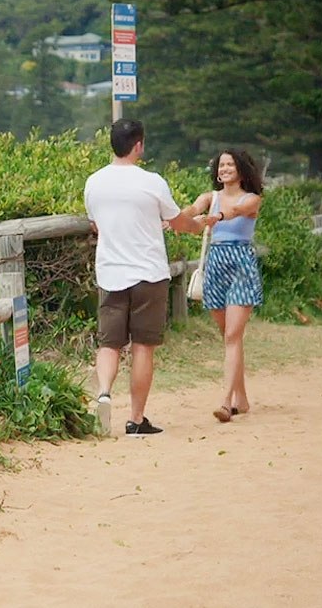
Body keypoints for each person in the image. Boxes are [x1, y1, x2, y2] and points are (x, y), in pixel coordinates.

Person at [84, 119, 201, 437]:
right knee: (143, 346)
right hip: (148, 273)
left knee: (109, 343)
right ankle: (136, 419)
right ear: (139, 145)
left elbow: (95, 224)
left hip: (111, 272)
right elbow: (178, 222)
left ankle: (104, 393)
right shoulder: (152, 182)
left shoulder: (94, 182)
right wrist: (199, 225)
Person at [181, 150, 264, 423]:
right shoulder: (209, 197)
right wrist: (178, 219)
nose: (225, 168)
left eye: (230, 164)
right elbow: (193, 211)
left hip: (241, 263)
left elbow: (238, 211)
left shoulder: (251, 198)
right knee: (229, 337)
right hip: (216, 264)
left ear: (241, 169)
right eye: (221, 165)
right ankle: (242, 399)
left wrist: (217, 217)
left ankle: (226, 403)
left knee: (232, 335)